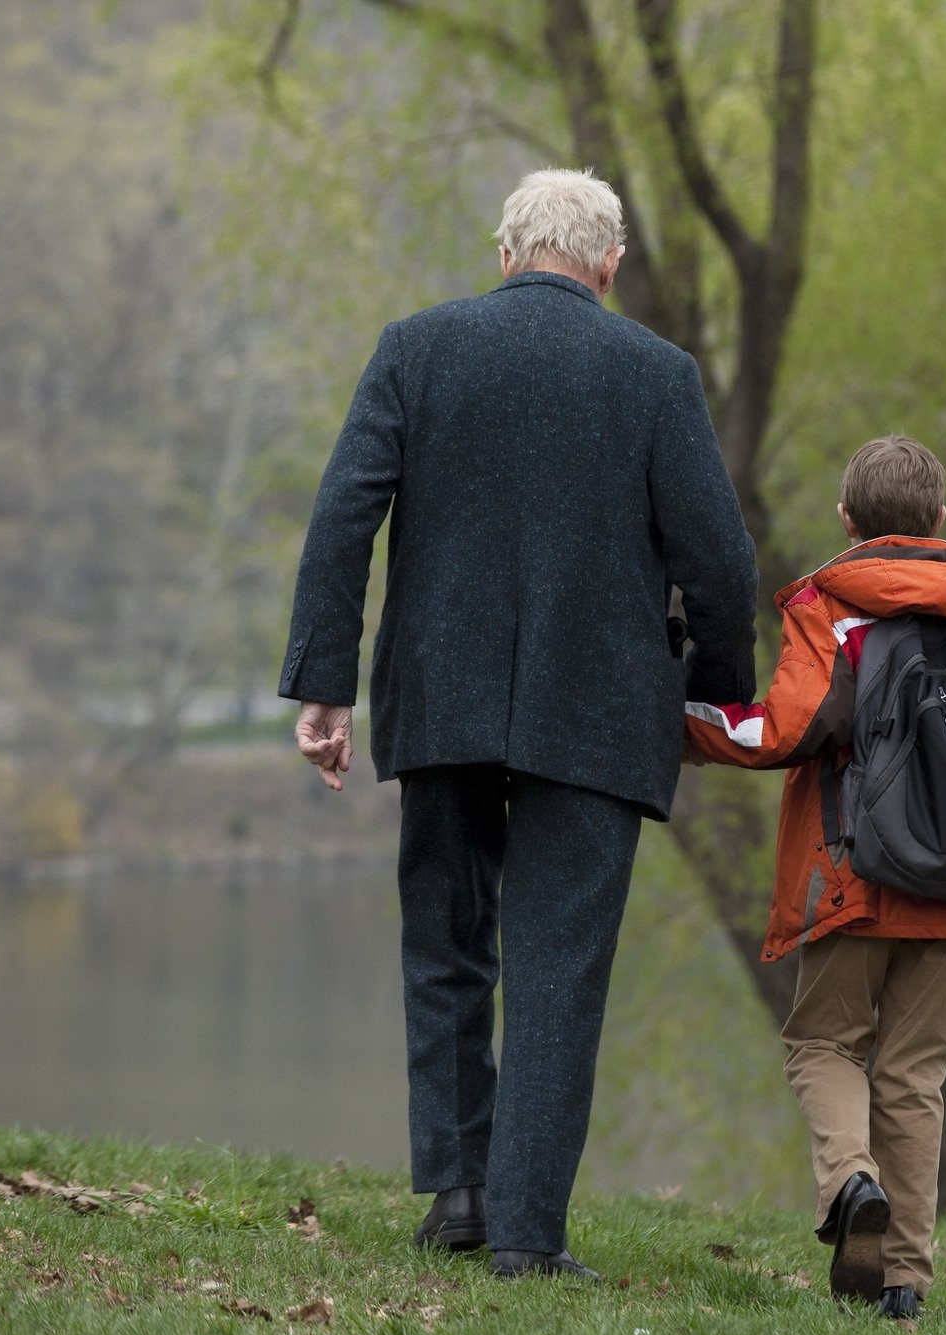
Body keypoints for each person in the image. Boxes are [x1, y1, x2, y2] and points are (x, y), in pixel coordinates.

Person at [279, 168, 758, 1279]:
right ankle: (527, 1240)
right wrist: (716, 696)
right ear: (608, 266)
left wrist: (324, 685)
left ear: (505, 254)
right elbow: (721, 562)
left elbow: (343, 513)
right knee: (557, 967)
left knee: (446, 941)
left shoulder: (415, 347)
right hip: (594, 712)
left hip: (438, 695)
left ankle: (456, 1193)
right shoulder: (656, 374)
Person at [683, 435, 946, 1319]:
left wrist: (680, 719)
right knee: (916, 1077)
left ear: (848, 519)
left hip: (854, 876)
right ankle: (905, 1283)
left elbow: (784, 729)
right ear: (940, 522)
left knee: (823, 1043)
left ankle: (850, 1180)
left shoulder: (836, 609)